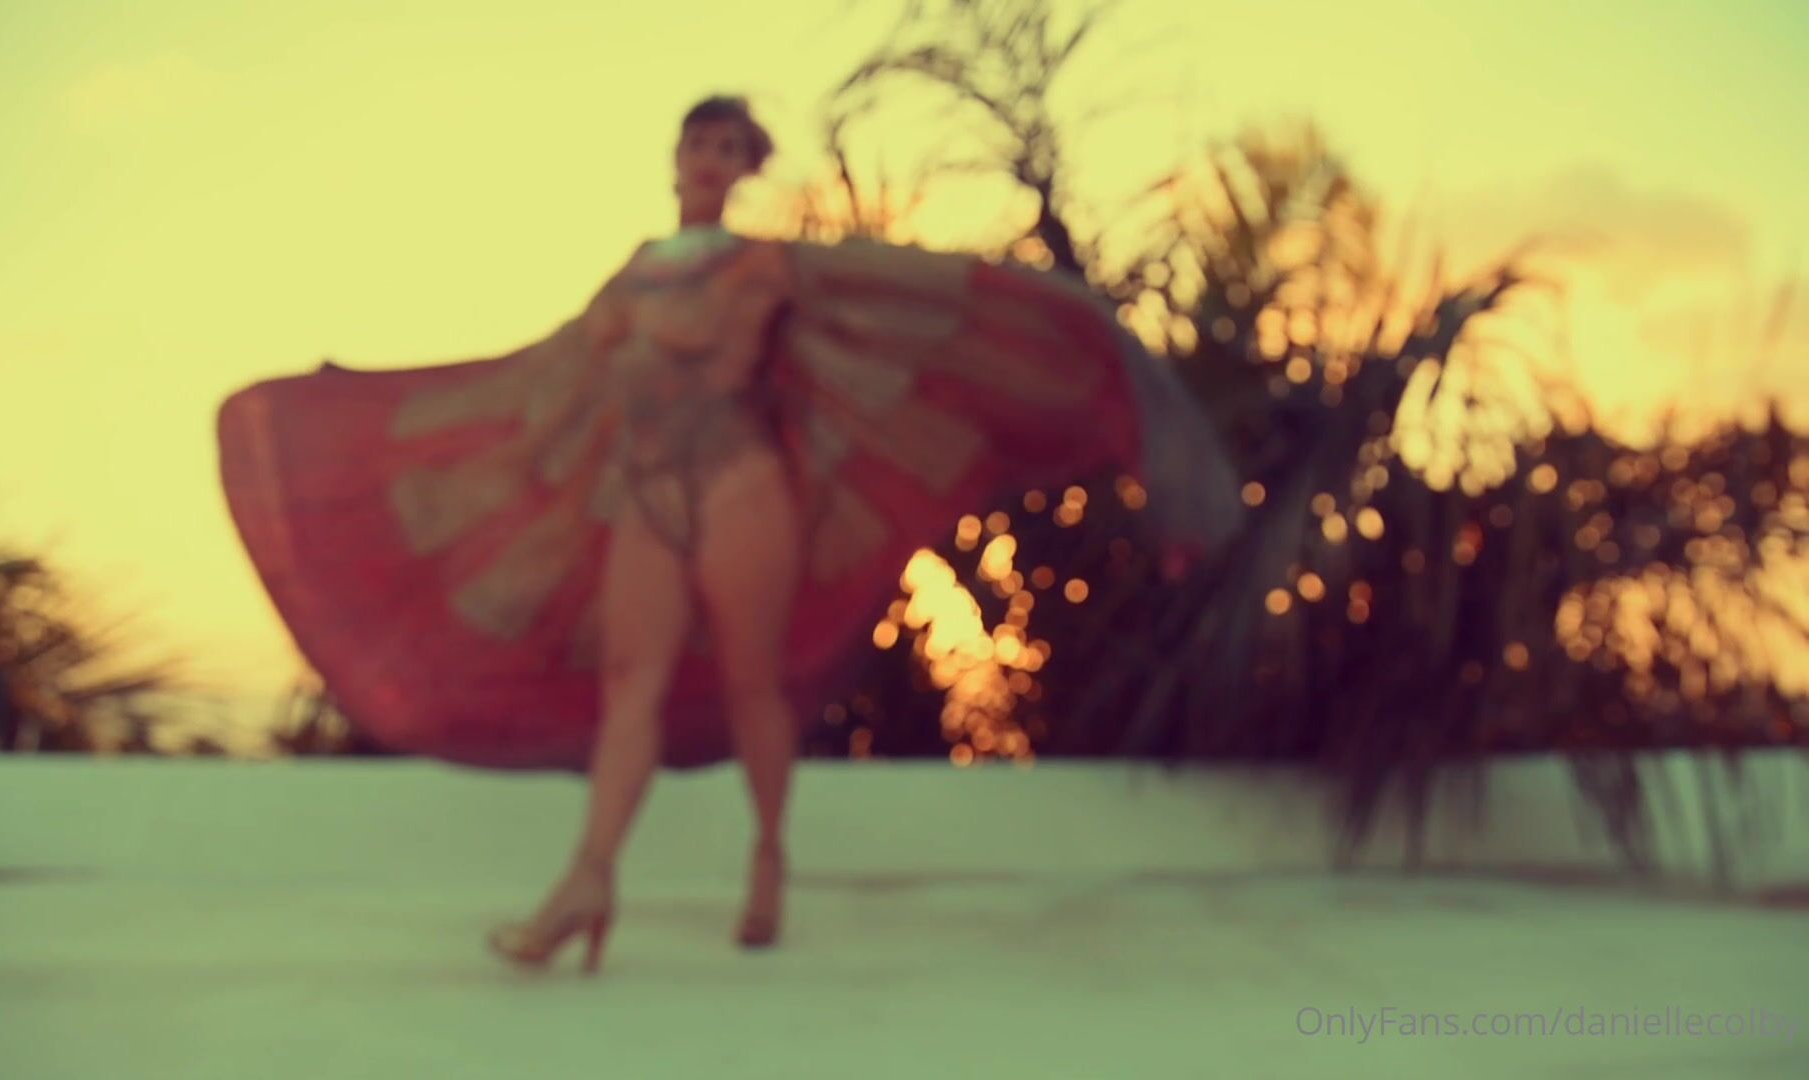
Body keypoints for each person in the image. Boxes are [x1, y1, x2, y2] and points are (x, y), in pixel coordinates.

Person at [217, 95, 1244, 976]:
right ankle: (587, 881)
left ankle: (767, 856)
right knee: (631, 685)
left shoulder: (761, 266)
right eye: (697, 144)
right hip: (645, 491)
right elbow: (552, 373)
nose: (708, 160)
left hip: (741, 485)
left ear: (744, 169)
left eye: (727, 149)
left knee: (754, 680)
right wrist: (366, 403)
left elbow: (774, 327)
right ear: (674, 158)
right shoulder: (635, 268)